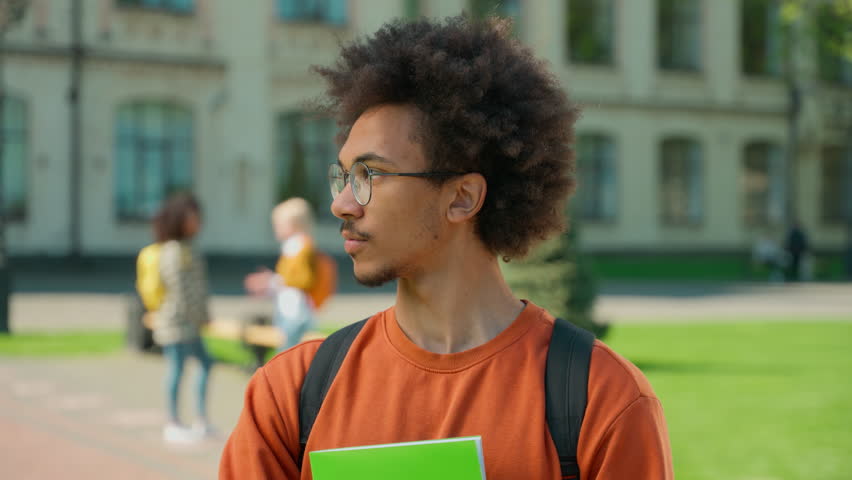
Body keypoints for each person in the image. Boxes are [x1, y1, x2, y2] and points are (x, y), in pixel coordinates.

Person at [221, 16, 673, 479]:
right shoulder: (291, 393)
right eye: (344, 175)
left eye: (370, 175)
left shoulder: (602, 399)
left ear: (462, 198)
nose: (341, 204)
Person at [146, 193, 216, 444]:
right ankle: (173, 421)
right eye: (192, 217)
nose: (197, 222)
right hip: (177, 323)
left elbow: (197, 288)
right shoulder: (175, 251)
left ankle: (200, 419)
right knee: (177, 369)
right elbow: (181, 291)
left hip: (189, 323)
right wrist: (201, 316)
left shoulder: (187, 248)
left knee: (204, 364)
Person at [244, 198, 318, 351]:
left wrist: (270, 281)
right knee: (290, 352)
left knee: (287, 353)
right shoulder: (296, 246)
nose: (275, 229)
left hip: (294, 312)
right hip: (293, 310)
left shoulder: (296, 247)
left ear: (294, 225)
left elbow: (301, 279)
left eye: (279, 225)